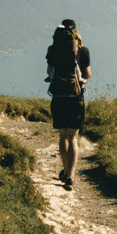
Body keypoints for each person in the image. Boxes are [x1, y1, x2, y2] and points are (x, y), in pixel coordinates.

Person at [45, 19, 91, 191]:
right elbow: (87, 74)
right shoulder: (82, 50)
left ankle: (65, 171)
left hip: (58, 97)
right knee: (73, 137)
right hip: (75, 98)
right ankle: (70, 176)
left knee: (62, 136)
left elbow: (49, 71)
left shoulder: (53, 49)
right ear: (75, 31)